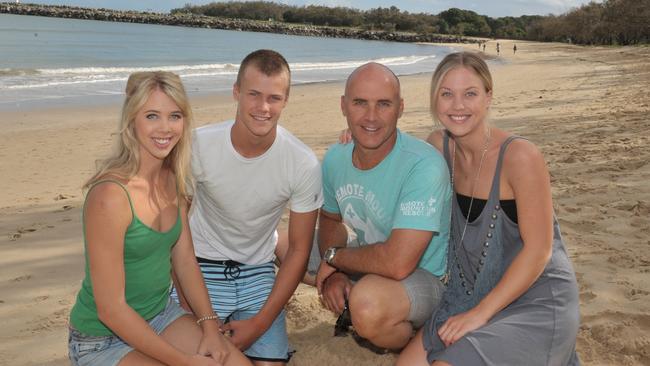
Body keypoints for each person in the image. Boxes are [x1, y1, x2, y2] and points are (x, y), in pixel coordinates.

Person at [397, 52, 580, 365]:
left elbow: (539, 251)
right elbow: (396, 173)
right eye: (447, 94)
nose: (458, 106)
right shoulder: (438, 147)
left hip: (536, 299)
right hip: (470, 293)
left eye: (470, 94)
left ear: (488, 97)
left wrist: (479, 315)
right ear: (434, 100)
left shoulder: (519, 156)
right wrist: (358, 143)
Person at [68, 71, 251, 366]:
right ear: (132, 120)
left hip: (160, 316)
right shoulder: (110, 196)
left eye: (175, 116)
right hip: (102, 339)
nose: (165, 128)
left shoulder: (172, 180)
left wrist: (209, 327)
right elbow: (111, 309)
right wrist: (184, 362)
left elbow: (185, 261)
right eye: (152, 116)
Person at [173, 49, 322, 365]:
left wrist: (261, 322)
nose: (263, 107)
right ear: (236, 92)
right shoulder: (198, 146)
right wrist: (187, 302)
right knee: (205, 359)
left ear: (285, 100)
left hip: (257, 270)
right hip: (199, 267)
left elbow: (297, 250)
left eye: (274, 98)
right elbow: (175, 229)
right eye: (254, 94)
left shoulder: (302, 162)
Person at [314, 62, 451, 351]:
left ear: (400, 108)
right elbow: (328, 217)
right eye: (360, 103)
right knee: (284, 244)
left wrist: (333, 258)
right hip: (368, 259)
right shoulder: (336, 157)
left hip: (424, 277)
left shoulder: (422, 165)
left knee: (366, 307)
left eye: (383, 104)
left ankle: (409, 340)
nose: (371, 117)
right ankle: (351, 291)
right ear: (344, 106)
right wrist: (335, 271)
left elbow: (397, 263)